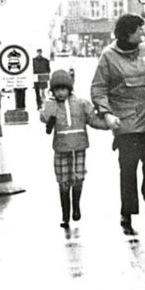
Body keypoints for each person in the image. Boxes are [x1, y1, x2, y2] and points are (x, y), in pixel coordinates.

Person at [91, 12, 145, 237]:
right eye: (139, 29)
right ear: (127, 33)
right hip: (125, 125)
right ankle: (128, 211)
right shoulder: (108, 56)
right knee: (128, 168)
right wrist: (106, 114)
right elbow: (98, 88)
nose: (144, 32)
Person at [42, 67, 103, 232]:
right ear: (52, 91)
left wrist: (109, 125)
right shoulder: (52, 105)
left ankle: (76, 205)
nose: (60, 93)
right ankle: (65, 215)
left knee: (78, 178)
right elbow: (44, 118)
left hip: (79, 147)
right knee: (63, 182)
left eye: (63, 89)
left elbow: (93, 119)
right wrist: (49, 107)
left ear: (69, 88)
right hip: (61, 148)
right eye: (56, 90)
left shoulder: (81, 103)